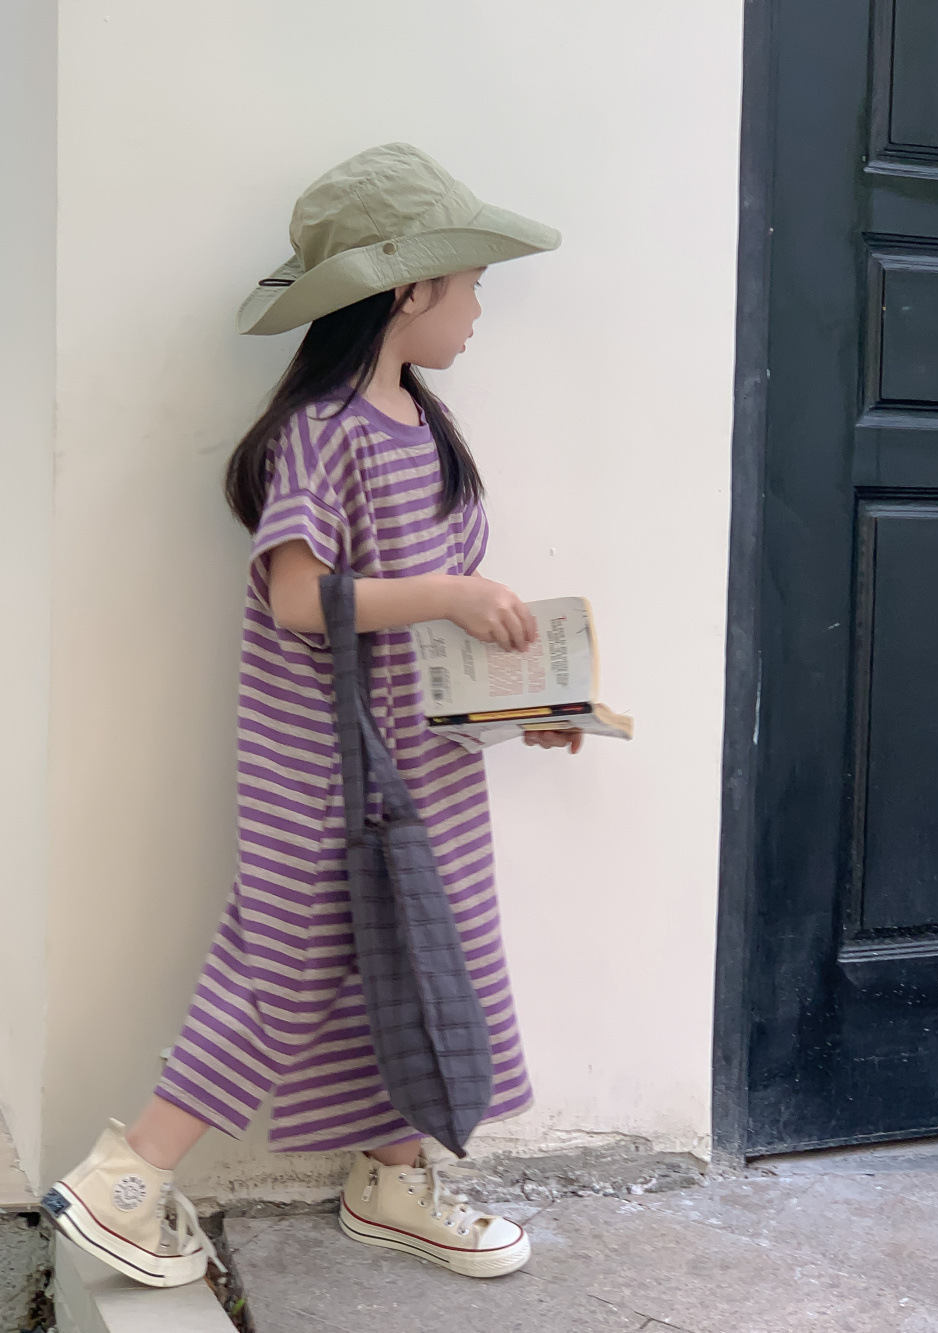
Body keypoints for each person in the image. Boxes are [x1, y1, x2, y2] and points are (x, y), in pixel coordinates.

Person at [42, 142, 582, 1287]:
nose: (480, 305)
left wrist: (526, 705)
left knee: (408, 955)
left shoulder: (423, 424)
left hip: (422, 767)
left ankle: (392, 1178)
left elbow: (430, 640)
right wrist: (446, 593)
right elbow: (299, 599)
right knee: (278, 966)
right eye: (470, 281)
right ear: (408, 288)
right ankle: (121, 1186)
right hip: (326, 770)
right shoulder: (324, 428)